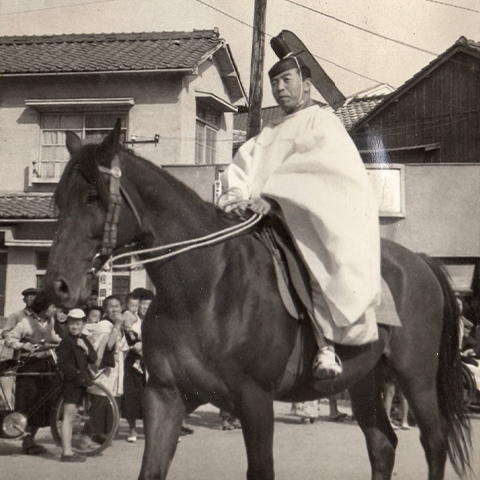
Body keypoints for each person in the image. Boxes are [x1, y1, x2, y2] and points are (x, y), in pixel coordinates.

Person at [219, 48, 381, 379]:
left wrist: (276, 201)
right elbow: (245, 163)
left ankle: (326, 347)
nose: (279, 88)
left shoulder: (323, 122)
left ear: (306, 84)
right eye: (274, 82)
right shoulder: (269, 131)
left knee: (310, 263)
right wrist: (236, 193)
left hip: (300, 221)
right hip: (254, 218)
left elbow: (321, 170)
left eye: (286, 80)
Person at [4, 291, 60, 454]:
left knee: (42, 403)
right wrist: (23, 346)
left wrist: (64, 342)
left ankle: (31, 440)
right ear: (44, 307)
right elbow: (9, 339)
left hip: (45, 363)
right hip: (28, 366)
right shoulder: (24, 321)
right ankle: (26, 441)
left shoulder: (50, 320)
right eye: (52, 306)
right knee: (27, 404)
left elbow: (52, 335)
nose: (55, 309)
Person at [56, 309, 97, 462]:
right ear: (67, 324)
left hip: (81, 383)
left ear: (83, 324)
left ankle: (68, 450)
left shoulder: (84, 340)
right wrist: (78, 375)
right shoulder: (66, 341)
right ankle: (66, 452)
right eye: (71, 323)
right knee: (68, 417)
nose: (74, 326)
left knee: (73, 417)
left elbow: (93, 358)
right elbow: (63, 364)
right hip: (72, 383)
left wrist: (85, 348)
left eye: (77, 323)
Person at [87, 295, 127, 444]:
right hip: (105, 369)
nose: (115, 309)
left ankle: (104, 433)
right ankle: (91, 434)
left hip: (116, 368)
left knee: (111, 400)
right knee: (101, 399)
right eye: (111, 306)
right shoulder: (104, 324)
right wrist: (117, 325)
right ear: (105, 309)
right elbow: (108, 346)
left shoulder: (117, 324)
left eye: (117, 306)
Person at [122, 292, 145, 443]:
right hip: (132, 358)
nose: (142, 308)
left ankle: (149, 429)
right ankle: (132, 430)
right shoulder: (127, 317)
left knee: (147, 396)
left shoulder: (146, 319)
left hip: (147, 360)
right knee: (131, 394)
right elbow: (129, 337)